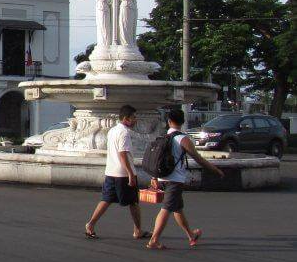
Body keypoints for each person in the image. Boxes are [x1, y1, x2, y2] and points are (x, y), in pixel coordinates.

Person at [146, 108, 225, 250]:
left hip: (163, 177)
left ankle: (191, 235)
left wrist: (154, 177)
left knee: (177, 208)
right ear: (182, 122)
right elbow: (198, 159)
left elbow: (156, 158)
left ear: (169, 122)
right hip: (175, 179)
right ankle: (154, 239)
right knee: (166, 209)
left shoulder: (163, 137)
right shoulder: (183, 139)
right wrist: (216, 170)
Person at [85, 105, 150, 240]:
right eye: (133, 117)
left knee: (106, 199)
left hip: (111, 171)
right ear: (126, 119)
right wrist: (131, 174)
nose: (135, 120)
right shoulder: (124, 133)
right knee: (133, 202)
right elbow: (123, 154)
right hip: (123, 174)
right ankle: (137, 230)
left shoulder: (112, 131)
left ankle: (90, 224)